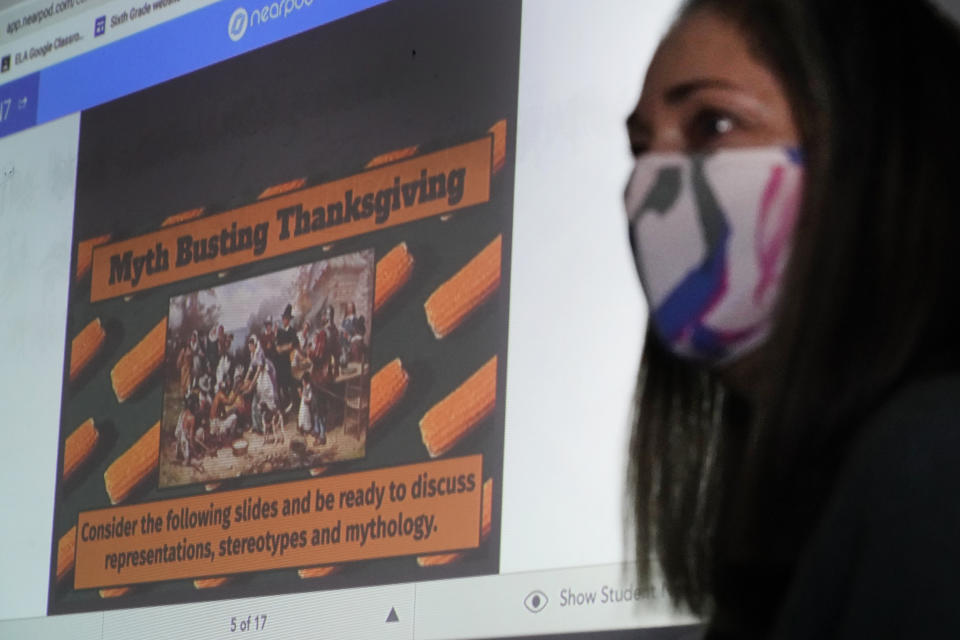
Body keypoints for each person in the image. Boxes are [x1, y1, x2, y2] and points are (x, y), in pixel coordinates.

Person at [623, 1, 960, 638]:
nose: (647, 184)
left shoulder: (934, 462)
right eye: (640, 147)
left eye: (713, 124)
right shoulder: (797, 527)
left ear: (881, 150)